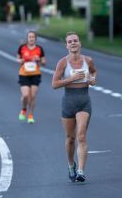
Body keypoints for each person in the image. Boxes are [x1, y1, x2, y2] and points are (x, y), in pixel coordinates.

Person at [52, 31, 97, 183]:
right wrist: (71, 78)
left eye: (75, 41)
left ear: (80, 43)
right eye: (70, 41)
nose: (73, 43)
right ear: (66, 45)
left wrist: (92, 79)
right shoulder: (62, 63)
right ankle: (71, 165)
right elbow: (54, 84)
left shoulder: (88, 60)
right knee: (70, 138)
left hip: (84, 100)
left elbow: (94, 71)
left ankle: (81, 171)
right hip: (68, 101)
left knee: (82, 136)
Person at [17, 31, 46, 124]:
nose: (31, 38)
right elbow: (17, 58)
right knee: (25, 95)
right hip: (24, 74)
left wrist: (39, 60)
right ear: (27, 38)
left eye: (33, 37)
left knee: (32, 96)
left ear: (35, 38)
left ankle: (30, 115)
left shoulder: (39, 49)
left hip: (35, 74)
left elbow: (44, 62)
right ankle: (24, 109)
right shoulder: (22, 48)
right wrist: (20, 60)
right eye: (30, 37)